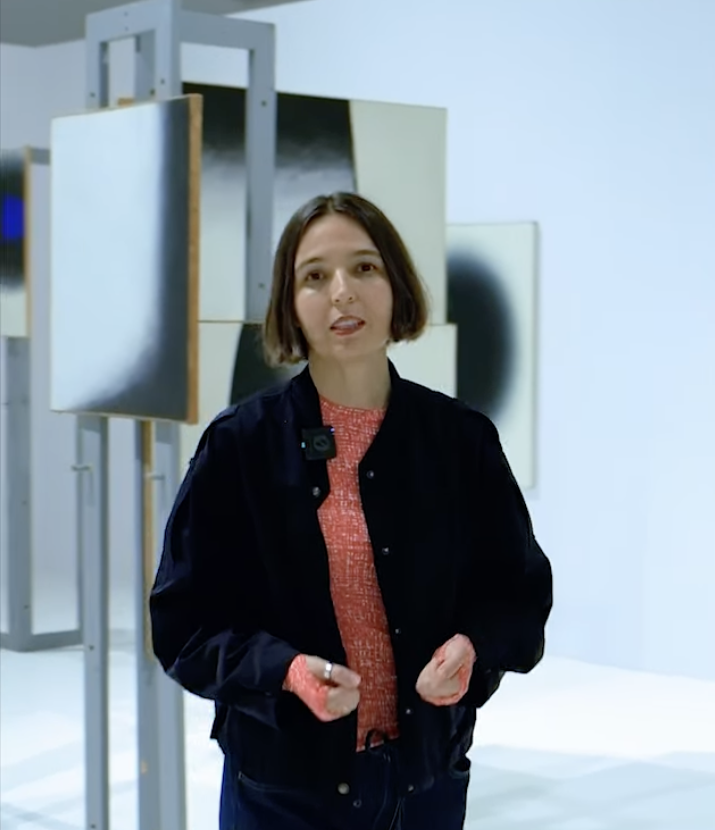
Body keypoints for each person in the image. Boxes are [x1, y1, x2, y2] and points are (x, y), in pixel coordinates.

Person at [149, 192, 553, 830]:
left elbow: (518, 592)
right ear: (290, 303)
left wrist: (473, 646)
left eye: (364, 267)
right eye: (315, 276)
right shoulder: (239, 446)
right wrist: (285, 671)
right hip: (282, 788)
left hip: (425, 781)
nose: (343, 292)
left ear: (397, 286)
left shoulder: (460, 439)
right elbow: (185, 624)